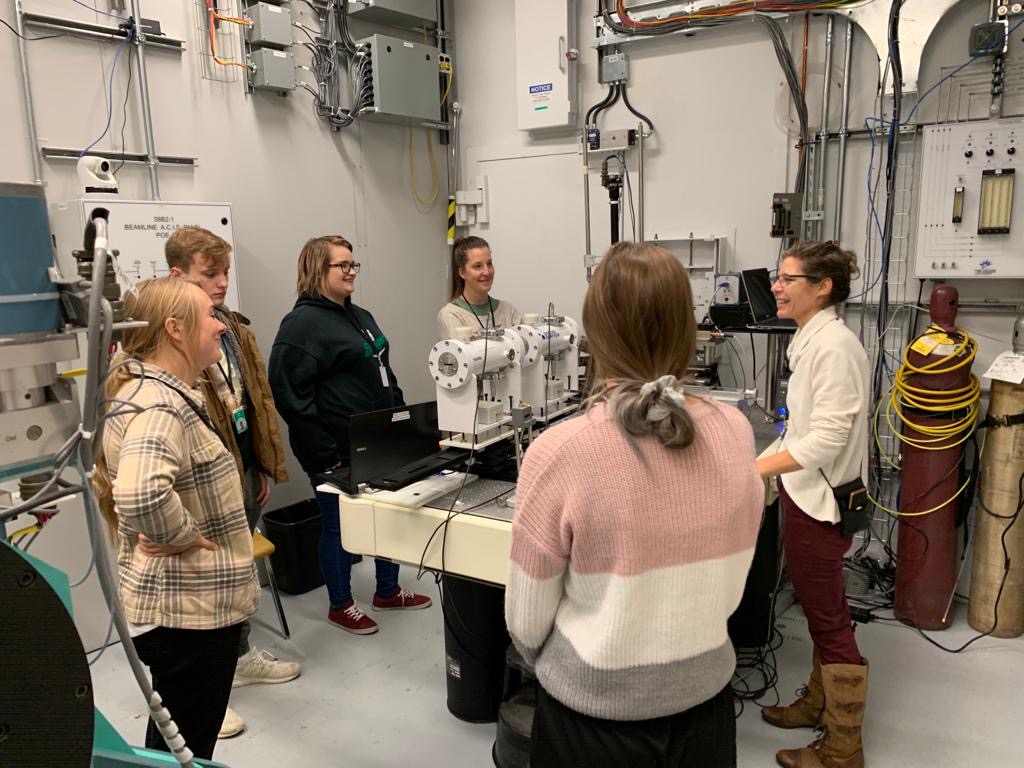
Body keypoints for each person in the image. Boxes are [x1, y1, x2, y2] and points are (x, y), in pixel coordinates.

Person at [505, 242, 764, 768]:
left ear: (595, 331)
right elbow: (733, 580)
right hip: (705, 713)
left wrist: (580, 666)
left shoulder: (560, 451)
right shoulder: (736, 431)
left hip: (592, 726)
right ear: (685, 328)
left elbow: (526, 623)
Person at [94, 277, 258, 761]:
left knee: (175, 737)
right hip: (188, 613)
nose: (220, 326)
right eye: (210, 315)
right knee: (186, 740)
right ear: (175, 329)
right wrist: (182, 534)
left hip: (180, 610)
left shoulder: (145, 388)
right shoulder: (160, 404)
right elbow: (142, 492)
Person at [165, 227, 299, 739]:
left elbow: (250, 401)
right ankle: (199, 694)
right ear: (177, 276)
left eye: (225, 273)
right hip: (193, 483)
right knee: (199, 584)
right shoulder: (163, 335)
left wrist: (260, 463)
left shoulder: (229, 327)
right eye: (209, 274)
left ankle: (236, 660)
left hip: (237, 468)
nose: (222, 283)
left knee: (232, 575)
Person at [269, 235, 432, 635]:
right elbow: (290, 395)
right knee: (338, 527)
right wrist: (325, 451)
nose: (350, 271)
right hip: (335, 451)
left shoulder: (359, 315)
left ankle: (387, 591)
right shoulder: (302, 325)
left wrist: (400, 418)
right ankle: (340, 604)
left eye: (353, 264)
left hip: (378, 439)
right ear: (315, 270)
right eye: (341, 265)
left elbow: (382, 367)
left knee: (387, 516)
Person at [755, 240, 870, 768]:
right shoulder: (812, 339)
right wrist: (762, 458)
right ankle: (818, 702)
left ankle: (843, 750)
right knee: (825, 610)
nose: (776, 287)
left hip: (821, 503)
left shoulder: (834, 348)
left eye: (787, 279)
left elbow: (823, 440)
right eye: (778, 278)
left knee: (827, 620)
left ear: (822, 288)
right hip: (807, 495)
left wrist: (753, 470)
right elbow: (798, 428)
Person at [436, 235, 523, 339]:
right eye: (477, 266)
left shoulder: (508, 311)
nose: (486, 272)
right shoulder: (451, 315)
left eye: (489, 264)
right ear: (462, 272)